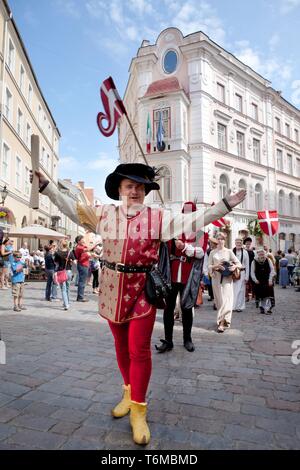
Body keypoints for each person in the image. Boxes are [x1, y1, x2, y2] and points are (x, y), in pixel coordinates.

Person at [31, 163, 246, 445]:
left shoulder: (159, 218)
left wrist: (225, 205)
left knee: (139, 350)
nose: (135, 191)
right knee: (121, 347)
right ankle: (128, 393)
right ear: (119, 190)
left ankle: (139, 411)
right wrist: (47, 186)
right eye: (129, 186)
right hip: (110, 288)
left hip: (143, 290)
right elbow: (71, 208)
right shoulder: (103, 215)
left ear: (146, 192)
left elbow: (195, 220)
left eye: (140, 187)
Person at [155, 201, 205, 354]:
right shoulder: (173, 230)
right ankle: (168, 341)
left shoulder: (201, 233)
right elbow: (161, 244)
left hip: (188, 276)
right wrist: (167, 234)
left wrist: (184, 247)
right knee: (168, 308)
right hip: (171, 276)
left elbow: (201, 252)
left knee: (187, 308)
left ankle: (187, 339)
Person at [208, 232, 242, 333]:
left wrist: (234, 267)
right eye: (218, 238)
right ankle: (221, 319)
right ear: (216, 240)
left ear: (224, 240)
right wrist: (216, 266)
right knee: (219, 301)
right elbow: (209, 266)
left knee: (226, 300)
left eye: (222, 239)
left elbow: (239, 263)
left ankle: (222, 322)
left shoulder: (229, 251)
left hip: (227, 279)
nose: (220, 240)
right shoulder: (212, 252)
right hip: (216, 279)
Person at [251, 248, 275, 314]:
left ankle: (268, 309)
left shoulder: (268, 260)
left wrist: (270, 280)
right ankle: (262, 307)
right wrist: (255, 280)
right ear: (257, 254)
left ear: (264, 254)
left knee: (268, 295)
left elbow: (272, 270)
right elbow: (252, 272)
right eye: (260, 253)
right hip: (259, 281)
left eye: (262, 253)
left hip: (267, 280)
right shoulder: (254, 261)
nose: (261, 254)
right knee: (261, 295)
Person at [54, 239, 75, 310]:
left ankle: (66, 304)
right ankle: (67, 302)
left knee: (63, 289)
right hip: (69, 271)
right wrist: (70, 261)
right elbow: (74, 262)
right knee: (68, 288)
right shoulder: (70, 252)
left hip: (61, 272)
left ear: (60, 244)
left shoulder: (57, 253)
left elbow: (56, 262)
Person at [232, 238, 249, 312]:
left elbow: (247, 264)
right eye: (237, 242)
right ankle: (233, 306)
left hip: (242, 272)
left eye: (240, 243)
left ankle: (239, 306)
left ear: (242, 244)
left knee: (241, 290)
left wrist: (247, 276)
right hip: (233, 273)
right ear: (235, 243)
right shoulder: (232, 251)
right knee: (233, 290)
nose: (238, 244)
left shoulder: (245, 252)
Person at [74, 235, 90, 302]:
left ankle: (80, 296)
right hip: (82, 265)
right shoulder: (79, 247)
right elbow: (88, 249)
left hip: (84, 265)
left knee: (83, 281)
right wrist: (95, 244)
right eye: (82, 239)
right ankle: (80, 297)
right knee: (82, 282)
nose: (84, 240)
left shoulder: (81, 246)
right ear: (79, 241)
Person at [244, 237, 255, 302]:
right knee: (246, 282)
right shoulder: (243, 251)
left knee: (252, 281)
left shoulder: (252, 251)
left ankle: (253, 295)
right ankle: (246, 296)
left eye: (249, 243)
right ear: (245, 244)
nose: (248, 245)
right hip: (245, 268)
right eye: (247, 243)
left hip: (252, 267)